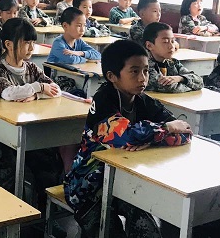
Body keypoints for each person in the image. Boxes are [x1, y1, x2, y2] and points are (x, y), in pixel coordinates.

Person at [64, 40, 192, 238]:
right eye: (134, 71)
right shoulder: (103, 100)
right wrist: (164, 129)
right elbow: (125, 136)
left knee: (147, 229)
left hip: (128, 180)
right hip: (88, 186)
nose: (143, 78)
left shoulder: (144, 101)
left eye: (146, 71)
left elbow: (185, 132)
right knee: (108, 232)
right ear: (112, 76)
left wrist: (148, 138)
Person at [0, 18, 79, 202]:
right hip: (2, 135)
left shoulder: (31, 68)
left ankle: (42, 211)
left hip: (31, 131)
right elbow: (9, 93)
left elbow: (56, 89)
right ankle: (10, 209)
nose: (31, 47)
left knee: (49, 166)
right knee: (9, 173)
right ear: (8, 44)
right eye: (26, 42)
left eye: (33, 42)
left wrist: (36, 95)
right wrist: (39, 87)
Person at [143, 23, 203, 93]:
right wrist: (192, 86)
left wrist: (181, 78)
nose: (171, 46)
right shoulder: (144, 65)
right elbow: (169, 88)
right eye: (165, 42)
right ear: (149, 45)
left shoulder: (172, 62)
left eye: (172, 41)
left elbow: (200, 82)